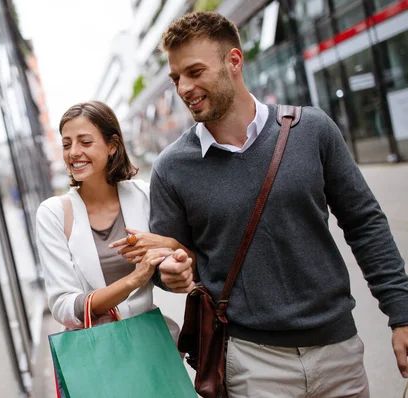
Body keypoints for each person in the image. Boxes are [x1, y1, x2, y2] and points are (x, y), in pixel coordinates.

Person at [148, 11, 408, 397]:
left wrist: (400, 313)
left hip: (339, 351)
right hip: (252, 363)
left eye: (195, 71)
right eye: (176, 78)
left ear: (233, 61)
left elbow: (364, 223)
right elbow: (166, 255)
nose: (184, 87)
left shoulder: (313, 130)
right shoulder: (172, 168)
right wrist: (167, 273)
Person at [36, 101, 192, 334]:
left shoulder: (144, 195)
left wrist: (173, 259)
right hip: (97, 353)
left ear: (112, 145)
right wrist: (133, 280)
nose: (74, 152)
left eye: (85, 142)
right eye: (66, 144)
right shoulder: (53, 214)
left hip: (152, 343)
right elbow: (63, 307)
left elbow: (172, 263)